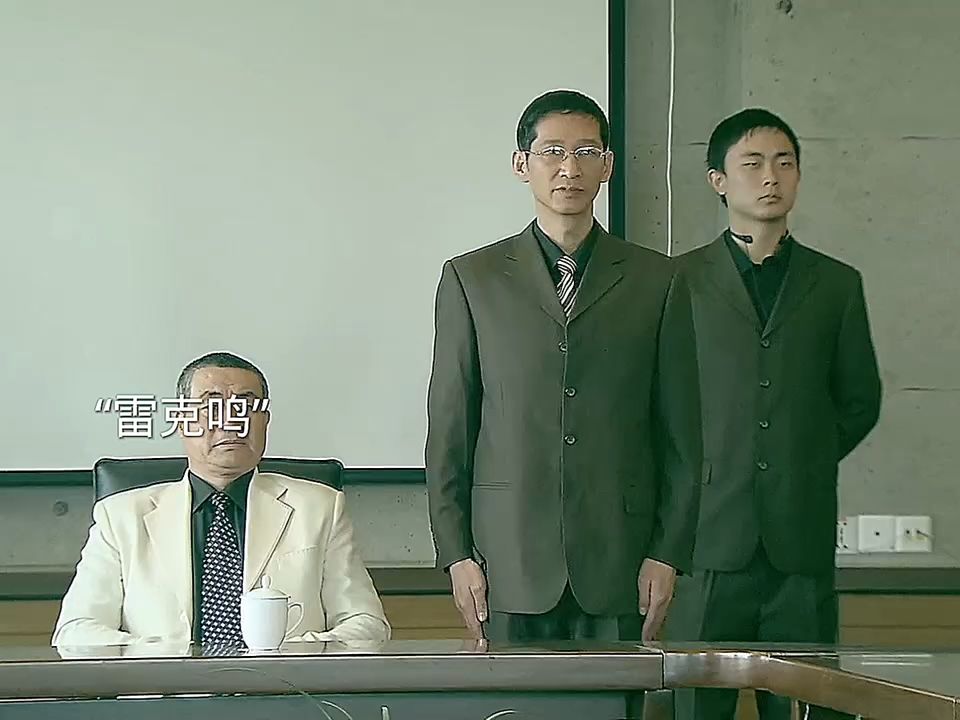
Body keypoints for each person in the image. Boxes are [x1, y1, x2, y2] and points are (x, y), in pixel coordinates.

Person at [425, 89, 703, 646]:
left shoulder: (659, 280)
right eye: (552, 152)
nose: (569, 169)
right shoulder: (472, 278)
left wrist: (667, 552)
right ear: (521, 164)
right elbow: (450, 430)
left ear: (608, 166)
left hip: (622, 561)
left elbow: (682, 436)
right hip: (506, 564)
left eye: (586, 153)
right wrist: (456, 554)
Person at [666, 108, 882, 720]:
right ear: (718, 180)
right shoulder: (678, 281)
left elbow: (859, 399)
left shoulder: (836, 284)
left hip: (800, 545)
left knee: (812, 706)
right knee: (696, 709)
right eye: (753, 164)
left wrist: (800, 455)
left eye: (785, 163)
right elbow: (659, 406)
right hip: (706, 541)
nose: (771, 177)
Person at [53, 351, 390, 648]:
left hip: (283, 692)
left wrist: (279, 659)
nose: (231, 420)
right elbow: (76, 631)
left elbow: (367, 626)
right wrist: (174, 664)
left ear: (265, 421)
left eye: (246, 406)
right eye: (212, 405)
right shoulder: (121, 516)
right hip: (165, 695)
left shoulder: (319, 508)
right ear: (182, 420)